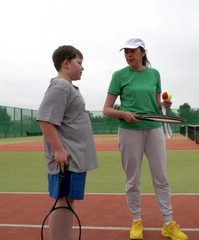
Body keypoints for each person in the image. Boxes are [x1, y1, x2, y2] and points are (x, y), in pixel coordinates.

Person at [103, 38, 188, 240]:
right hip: (129, 131)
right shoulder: (119, 76)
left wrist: (165, 106)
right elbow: (107, 109)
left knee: (161, 178)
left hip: (154, 129)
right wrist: (124, 114)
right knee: (132, 180)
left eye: (133, 51)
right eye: (126, 52)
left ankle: (168, 224)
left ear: (142, 52)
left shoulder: (154, 74)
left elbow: (157, 105)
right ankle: (136, 221)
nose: (129, 55)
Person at [37, 45, 98, 240]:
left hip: (73, 158)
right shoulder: (61, 86)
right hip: (67, 158)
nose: (82, 67)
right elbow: (45, 119)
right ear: (66, 63)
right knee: (63, 202)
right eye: (79, 63)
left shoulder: (67, 87)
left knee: (67, 202)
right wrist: (59, 150)